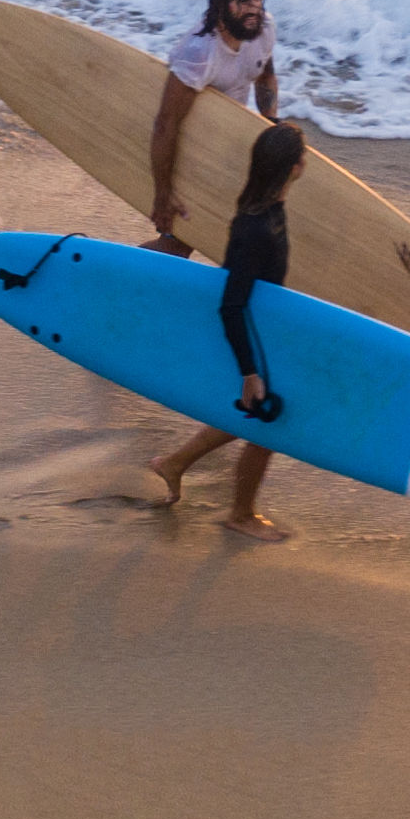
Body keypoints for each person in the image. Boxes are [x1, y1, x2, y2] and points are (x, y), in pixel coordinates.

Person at [149, 118, 303, 540]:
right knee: (269, 421)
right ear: (294, 168)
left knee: (264, 415)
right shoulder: (256, 225)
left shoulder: (267, 207)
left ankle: (175, 464)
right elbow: (231, 303)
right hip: (249, 327)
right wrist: (249, 371)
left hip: (261, 325)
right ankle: (240, 513)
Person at [148, 0, 279, 254]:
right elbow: (166, 123)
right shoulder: (198, 53)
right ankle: (112, 278)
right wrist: (163, 194)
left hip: (230, 151)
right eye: (243, 2)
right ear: (221, 4)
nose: (253, 9)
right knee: (178, 247)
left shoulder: (262, 28)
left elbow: (266, 74)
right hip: (191, 155)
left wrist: (270, 125)